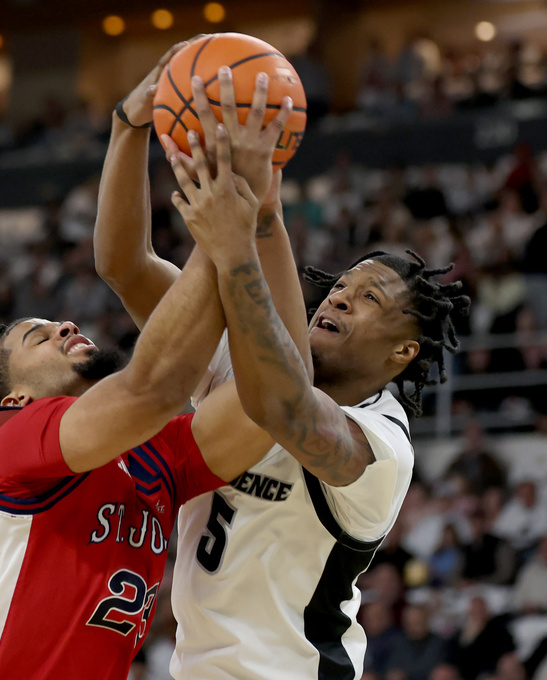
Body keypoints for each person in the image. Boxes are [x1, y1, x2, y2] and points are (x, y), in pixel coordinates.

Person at [0, 46, 295, 680]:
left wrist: (260, 218)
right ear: (14, 402)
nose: (65, 323)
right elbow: (154, 386)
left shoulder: (154, 456)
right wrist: (229, 209)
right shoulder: (9, 444)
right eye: (37, 336)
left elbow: (274, 404)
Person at [96, 55, 468, 679]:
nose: (340, 296)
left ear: (404, 353)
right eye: (341, 286)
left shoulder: (381, 447)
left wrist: (250, 233)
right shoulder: (238, 365)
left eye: (370, 298)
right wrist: (127, 129)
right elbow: (125, 265)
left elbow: (283, 405)